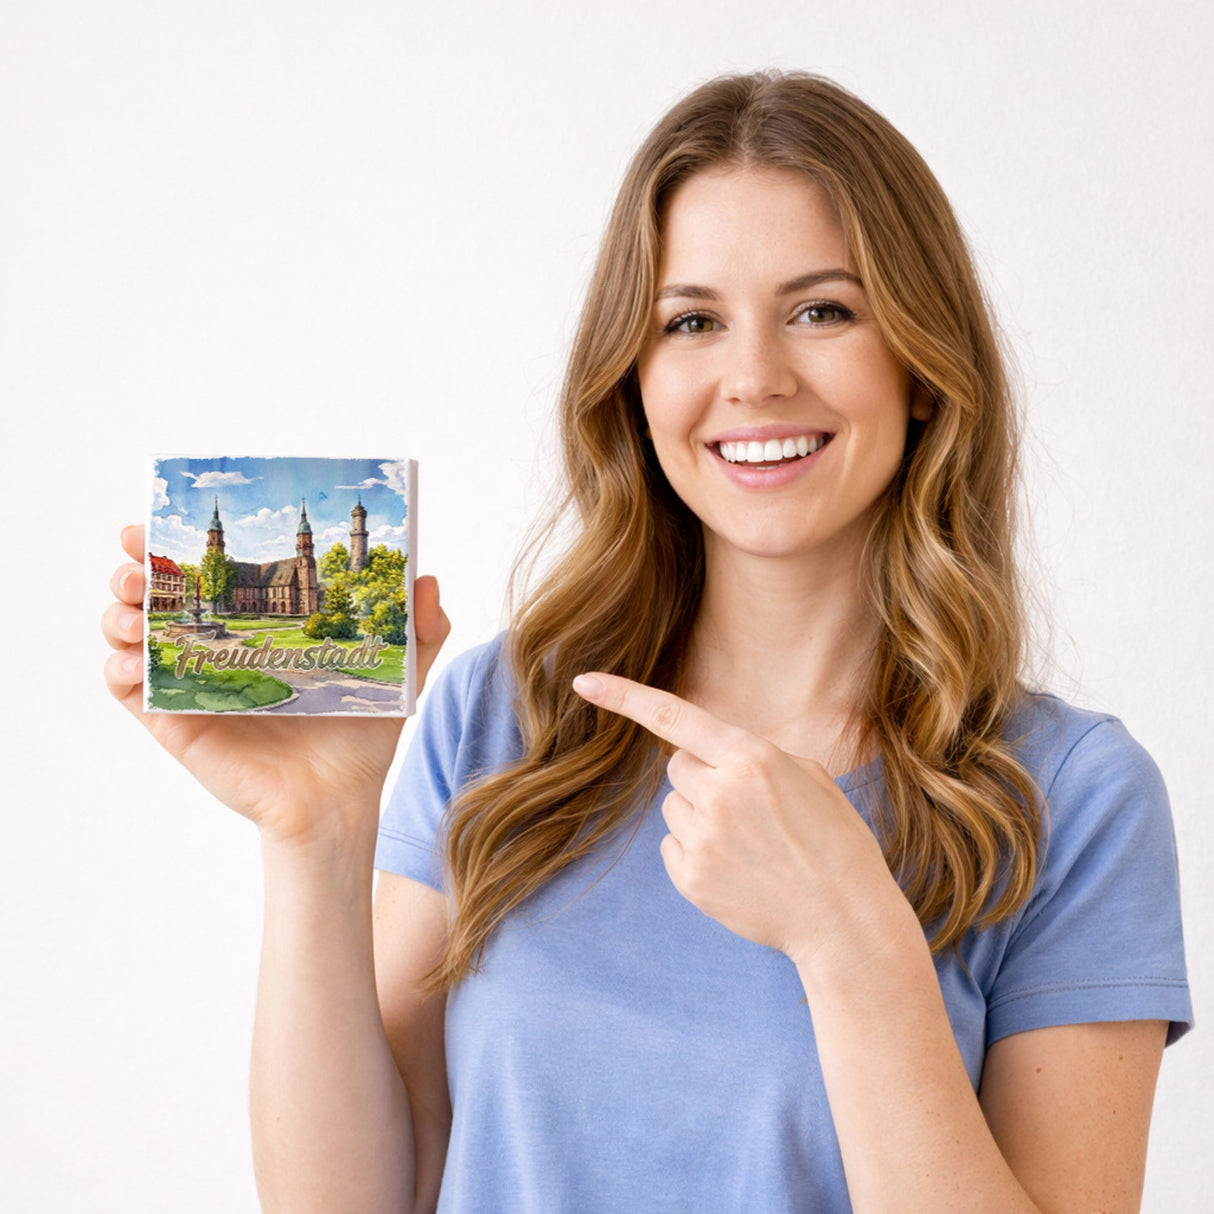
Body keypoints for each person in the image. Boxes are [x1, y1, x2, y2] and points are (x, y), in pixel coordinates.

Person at [103, 70, 1191, 1213]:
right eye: (691, 321)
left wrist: (850, 941)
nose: (754, 376)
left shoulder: (1072, 798)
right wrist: (318, 839)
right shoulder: (498, 715)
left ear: (921, 365)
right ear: (633, 376)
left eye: (822, 309)